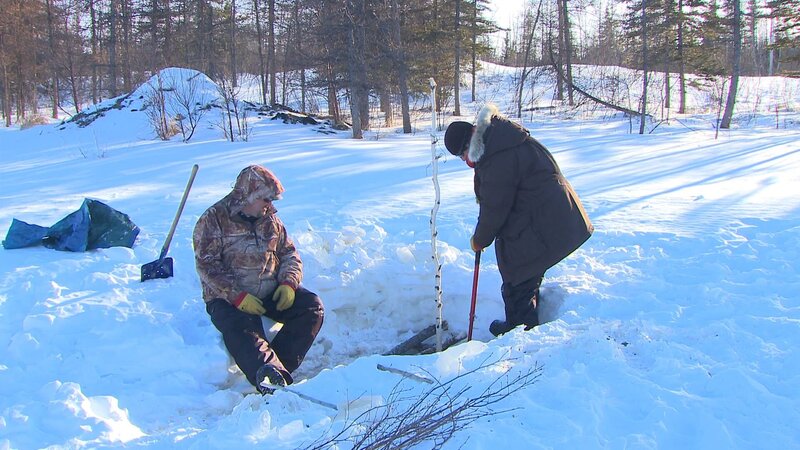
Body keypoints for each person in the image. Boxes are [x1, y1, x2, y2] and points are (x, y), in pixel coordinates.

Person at [444, 104, 593, 337]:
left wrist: (480, 239)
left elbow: (495, 206)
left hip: (544, 215)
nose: (465, 160)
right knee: (523, 267)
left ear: (469, 143)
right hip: (545, 211)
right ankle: (524, 320)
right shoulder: (498, 139)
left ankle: (520, 334)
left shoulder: (497, 156)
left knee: (517, 275)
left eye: (462, 155)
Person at [193, 165, 324, 394]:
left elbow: (289, 253)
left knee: (312, 308)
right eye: (265, 199)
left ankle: (276, 371)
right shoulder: (213, 220)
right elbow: (206, 265)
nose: (270, 205)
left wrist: (288, 283)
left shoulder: (270, 219)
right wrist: (236, 295)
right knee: (243, 330)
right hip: (228, 299)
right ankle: (268, 374)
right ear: (248, 196)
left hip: (268, 290)